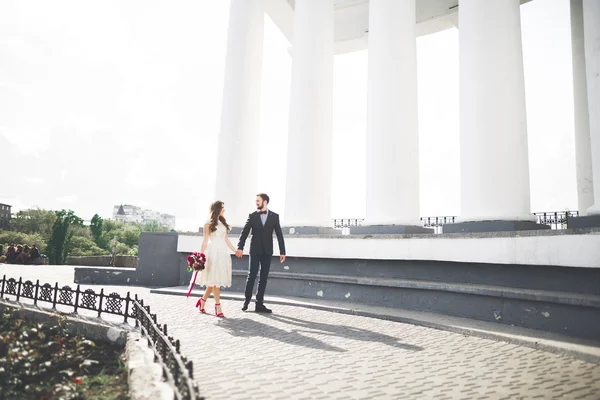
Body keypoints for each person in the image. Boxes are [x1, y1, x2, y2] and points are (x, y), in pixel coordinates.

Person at [236, 193, 286, 313]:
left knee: (263, 278)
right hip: (255, 251)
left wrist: (282, 251)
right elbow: (244, 233)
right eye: (256, 201)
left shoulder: (274, 216)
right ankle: (247, 301)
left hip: (267, 251)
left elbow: (279, 235)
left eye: (258, 201)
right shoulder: (252, 216)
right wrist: (240, 247)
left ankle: (259, 304)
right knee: (251, 276)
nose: (256, 203)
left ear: (265, 202)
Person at [195, 201, 237, 317]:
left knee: (214, 280)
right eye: (222, 208)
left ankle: (202, 301)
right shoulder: (208, 224)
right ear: (217, 209)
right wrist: (200, 256)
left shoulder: (223, 223)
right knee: (215, 281)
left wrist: (235, 250)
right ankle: (218, 306)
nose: (224, 210)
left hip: (222, 253)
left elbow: (227, 240)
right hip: (213, 253)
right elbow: (205, 241)